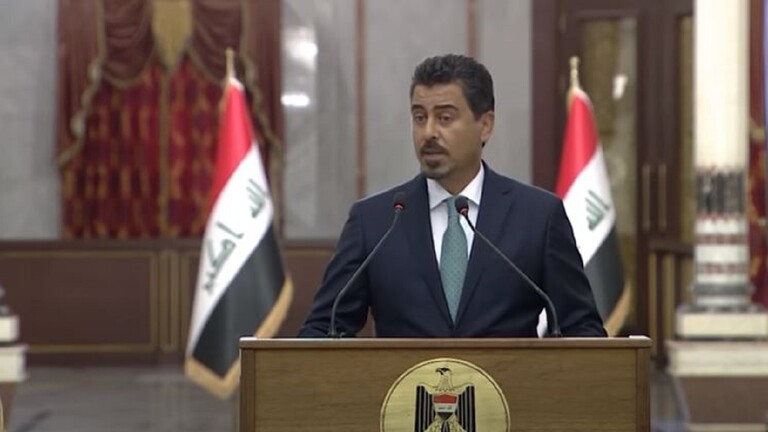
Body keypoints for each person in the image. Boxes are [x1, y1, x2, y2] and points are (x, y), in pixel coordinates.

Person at [299, 54, 606, 338]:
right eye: (419, 117)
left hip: (507, 382)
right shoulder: (375, 221)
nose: (428, 132)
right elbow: (323, 330)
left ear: (485, 126)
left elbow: (582, 329)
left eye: (445, 118)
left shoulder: (538, 217)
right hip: (404, 383)